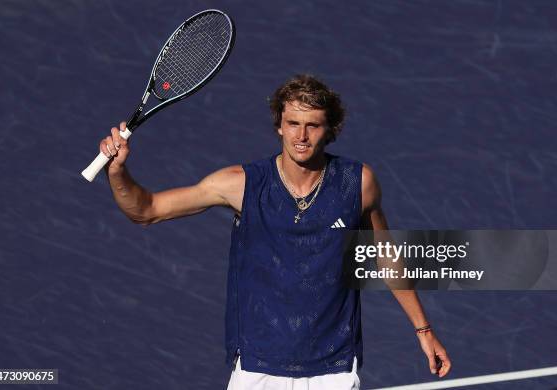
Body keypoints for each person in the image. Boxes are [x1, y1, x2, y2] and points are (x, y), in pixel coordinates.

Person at [100, 74, 451, 389]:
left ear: (330, 130)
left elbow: (384, 257)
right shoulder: (239, 184)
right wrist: (117, 173)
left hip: (333, 368)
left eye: (312, 125)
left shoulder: (358, 184)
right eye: (292, 123)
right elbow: (146, 210)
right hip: (257, 365)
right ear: (279, 126)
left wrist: (424, 330)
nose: (301, 136)